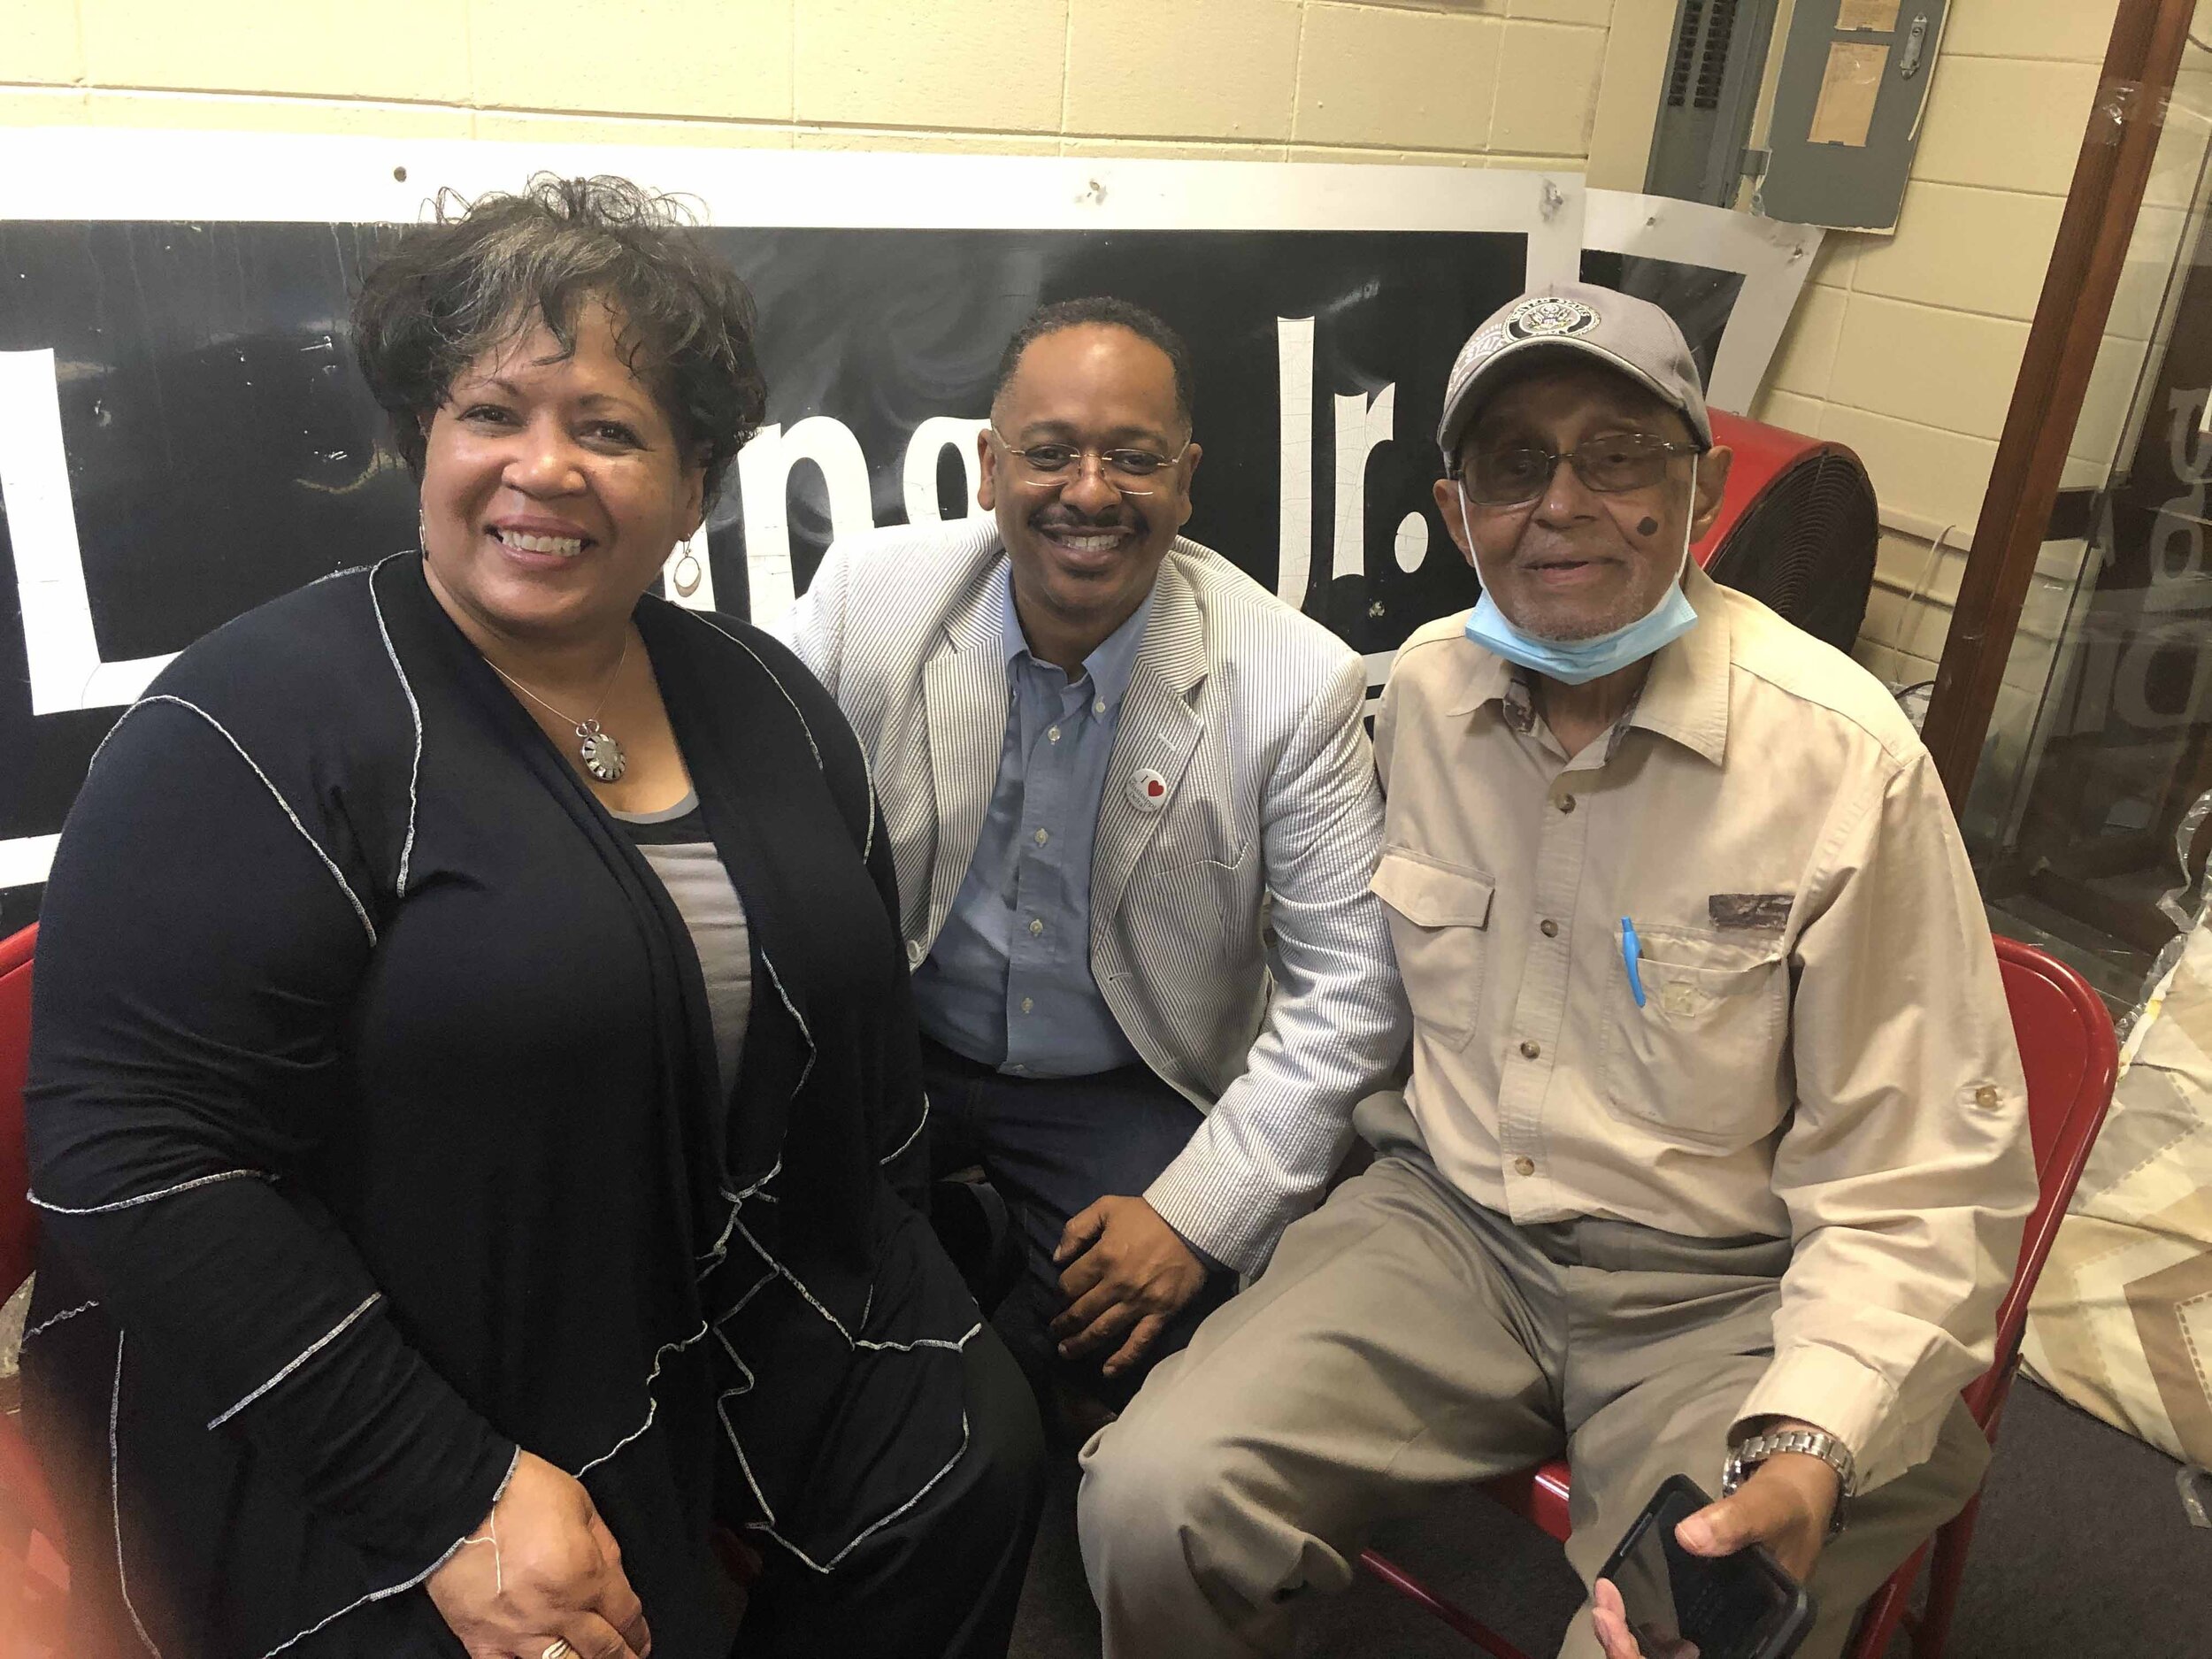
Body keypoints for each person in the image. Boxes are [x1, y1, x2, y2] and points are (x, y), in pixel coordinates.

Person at [19, 175, 1041, 1659]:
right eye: (491, 412)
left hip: (703, 1282)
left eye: (609, 429)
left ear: (693, 485)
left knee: (968, 1456)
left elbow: (860, 1060)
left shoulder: (765, 700)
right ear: (421, 442)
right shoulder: (249, 723)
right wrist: (450, 1492)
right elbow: (131, 1159)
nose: (541, 468)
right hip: (364, 1367)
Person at [1079, 282, 2039, 1659]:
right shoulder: (1419, 696)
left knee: (1675, 1630)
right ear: (1458, 509)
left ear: (1703, 491)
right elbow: (1340, 988)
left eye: (1619, 454)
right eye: (1515, 463)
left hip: (1729, 1289)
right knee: (1150, 1497)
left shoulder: (1843, 759)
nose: (1563, 503)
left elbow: (1920, 1175)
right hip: (1449, 1231)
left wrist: (1810, 1441)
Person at [780, 297, 1406, 1424]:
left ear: (1185, 480)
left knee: (1143, 1353)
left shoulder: (1294, 681)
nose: (1089, 491)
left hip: (1121, 1077)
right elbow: (759, 850)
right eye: (1050, 452)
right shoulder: (868, 602)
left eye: (1132, 458)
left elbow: (1351, 995)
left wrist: (1193, 1219)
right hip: (894, 1046)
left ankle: (986, 1305)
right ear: (989, 468)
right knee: (794, 1293)